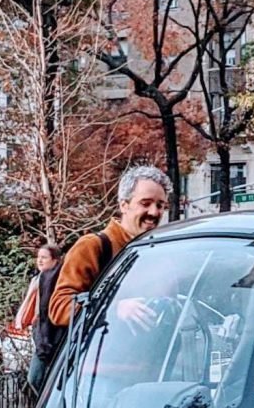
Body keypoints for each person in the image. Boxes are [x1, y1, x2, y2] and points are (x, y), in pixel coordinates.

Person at [48, 165, 172, 333]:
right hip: (100, 357)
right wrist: (113, 308)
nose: (154, 212)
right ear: (124, 205)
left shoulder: (160, 252)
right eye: (145, 203)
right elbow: (59, 308)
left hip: (152, 357)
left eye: (160, 205)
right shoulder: (93, 246)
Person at [11, 241, 59, 393]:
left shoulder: (57, 280)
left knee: (36, 377)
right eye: (38, 257)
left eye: (44, 257)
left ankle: (48, 407)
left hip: (51, 334)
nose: (39, 260)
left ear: (55, 260)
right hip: (40, 331)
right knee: (41, 377)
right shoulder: (38, 279)